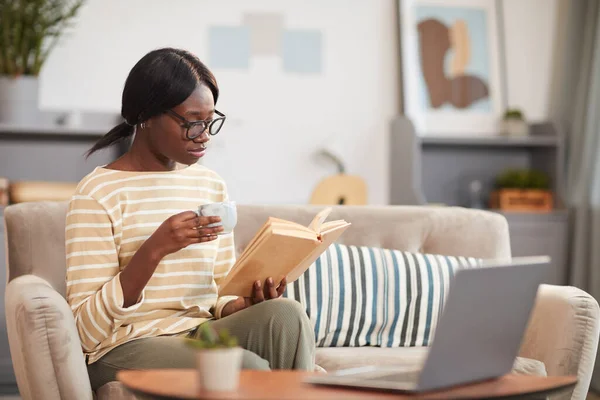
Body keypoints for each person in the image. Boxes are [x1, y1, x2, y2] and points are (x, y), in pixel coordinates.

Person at [65, 47, 315, 391]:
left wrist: (245, 303)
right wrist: (154, 249)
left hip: (197, 333)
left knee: (288, 316)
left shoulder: (209, 185)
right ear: (146, 116)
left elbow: (216, 294)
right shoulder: (97, 193)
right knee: (242, 366)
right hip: (123, 346)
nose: (205, 135)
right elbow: (85, 331)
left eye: (210, 121)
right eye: (193, 122)